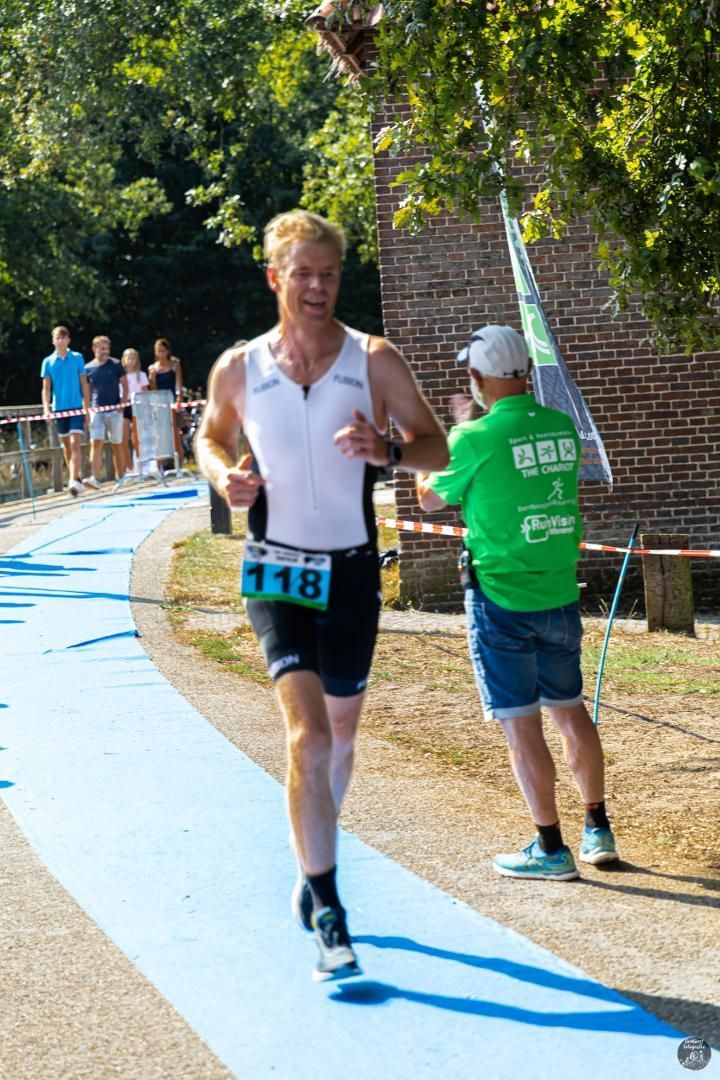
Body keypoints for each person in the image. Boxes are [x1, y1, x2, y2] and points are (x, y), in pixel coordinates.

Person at [196, 209, 448, 980]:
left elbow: (437, 445)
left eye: (329, 274)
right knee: (306, 737)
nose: (317, 287)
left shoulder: (373, 359)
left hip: (351, 571)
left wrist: (390, 450)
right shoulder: (240, 367)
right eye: (302, 273)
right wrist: (225, 476)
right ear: (274, 278)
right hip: (275, 566)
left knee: (339, 739)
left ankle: (313, 865)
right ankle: (331, 907)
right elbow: (210, 435)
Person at [416, 324, 618, 882]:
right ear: (526, 371)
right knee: (571, 711)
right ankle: (598, 827)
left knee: (522, 726)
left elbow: (429, 498)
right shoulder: (560, 425)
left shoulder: (472, 437)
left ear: (475, 377)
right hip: (559, 590)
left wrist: (448, 436)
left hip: (500, 595)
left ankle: (550, 848)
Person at [40, 326, 91, 497]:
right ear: (53, 340)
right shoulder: (48, 362)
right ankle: (75, 478)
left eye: (63, 337)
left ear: (68, 340)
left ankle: (72, 481)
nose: (60, 341)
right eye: (57, 338)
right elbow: (46, 388)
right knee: (66, 446)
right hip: (59, 409)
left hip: (76, 407)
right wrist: (46, 409)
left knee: (75, 443)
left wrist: (87, 409)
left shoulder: (77, 358)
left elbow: (84, 384)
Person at [83, 335, 128, 490]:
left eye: (107, 349)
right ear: (94, 349)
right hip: (97, 410)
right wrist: (87, 411)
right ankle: (94, 477)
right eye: (102, 349)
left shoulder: (115, 364)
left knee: (117, 443)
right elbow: (86, 392)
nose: (106, 352)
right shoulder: (88, 368)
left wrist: (122, 404)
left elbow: (125, 385)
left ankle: (121, 476)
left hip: (115, 410)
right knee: (95, 443)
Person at [149, 337, 184, 467]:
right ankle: (159, 466)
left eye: (163, 350)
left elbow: (178, 383)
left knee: (175, 434)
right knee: (160, 435)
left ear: (167, 351)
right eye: (158, 351)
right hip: (159, 403)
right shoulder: (152, 368)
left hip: (172, 401)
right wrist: (152, 379)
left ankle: (179, 465)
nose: (160, 353)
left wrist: (179, 398)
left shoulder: (175, 364)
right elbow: (153, 390)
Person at [120, 347, 149, 475]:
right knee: (123, 438)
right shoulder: (121, 376)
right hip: (125, 406)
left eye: (133, 358)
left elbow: (145, 393)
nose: (130, 361)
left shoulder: (141, 375)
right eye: (128, 358)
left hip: (138, 406)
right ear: (124, 360)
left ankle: (140, 465)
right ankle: (129, 468)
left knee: (137, 438)